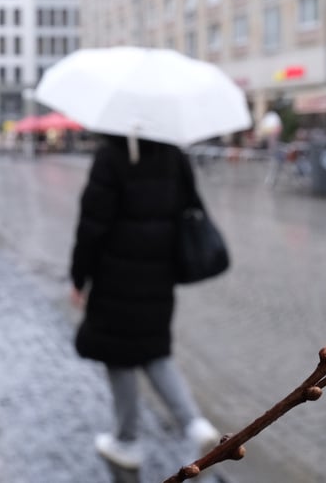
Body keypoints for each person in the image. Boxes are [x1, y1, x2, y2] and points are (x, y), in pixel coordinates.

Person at [69, 134, 220, 470]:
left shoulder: (111, 157)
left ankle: (127, 440)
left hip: (114, 277)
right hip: (159, 274)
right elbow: (188, 206)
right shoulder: (173, 154)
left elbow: (91, 226)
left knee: (119, 356)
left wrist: (79, 277)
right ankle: (195, 425)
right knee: (155, 352)